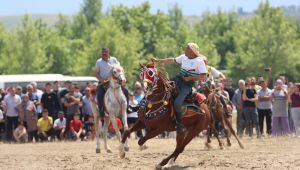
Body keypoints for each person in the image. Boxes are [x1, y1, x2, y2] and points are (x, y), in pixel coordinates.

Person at [152, 42, 207, 134]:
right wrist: (158, 61)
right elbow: (172, 60)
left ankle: (180, 124)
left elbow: (203, 76)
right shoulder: (184, 57)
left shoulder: (199, 61)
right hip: (177, 79)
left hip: (187, 85)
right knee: (161, 88)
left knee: (177, 103)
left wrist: (190, 78)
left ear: (192, 51)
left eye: (187, 48)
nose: (185, 49)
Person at [95, 47, 120, 118]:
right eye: (103, 53)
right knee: (99, 94)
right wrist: (102, 80)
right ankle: (101, 111)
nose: (104, 54)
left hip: (114, 81)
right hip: (104, 83)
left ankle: (126, 108)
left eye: (105, 52)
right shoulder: (98, 62)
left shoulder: (114, 59)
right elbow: (96, 74)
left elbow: (119, 69)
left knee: (126, 91)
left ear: (108, 52)